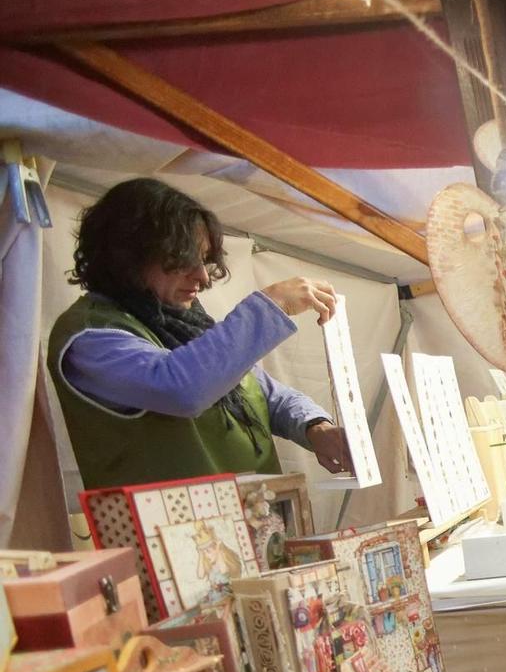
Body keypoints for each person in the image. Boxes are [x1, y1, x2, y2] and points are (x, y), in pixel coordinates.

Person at [47, 177, 355, 489]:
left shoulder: (189, 326)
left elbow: (261, 392)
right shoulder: (90, 335)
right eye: (183, 260)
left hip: (254, 525)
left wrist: (316, 427)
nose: (202, 276)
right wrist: (271, 306)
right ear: (127, 255)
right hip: (168, 534)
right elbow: (179, 387)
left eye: (203, 260)